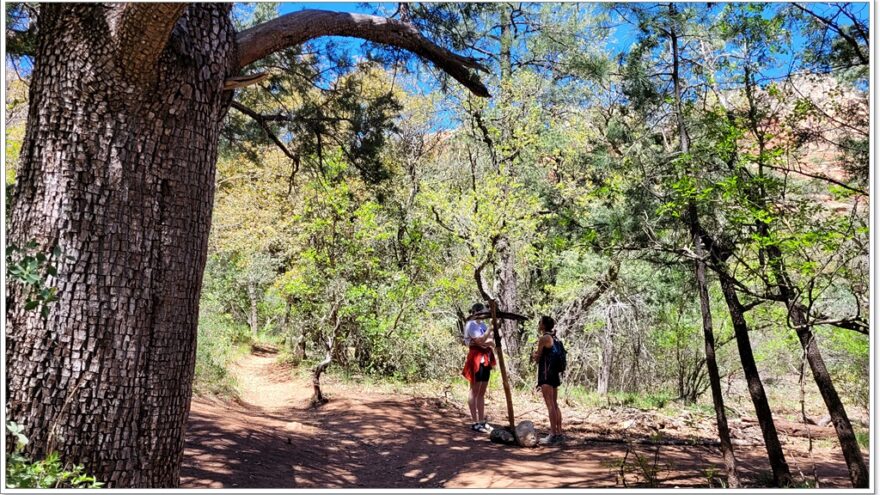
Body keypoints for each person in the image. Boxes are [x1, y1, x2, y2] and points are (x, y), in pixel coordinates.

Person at [461, 302, 495, 433]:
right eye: (481, 312)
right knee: (474, 390)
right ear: (475, 312)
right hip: (476, 358)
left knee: (482, 391)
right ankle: (474, 421)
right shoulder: (471, 324)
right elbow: (480, 341)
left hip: (485, 358)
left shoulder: (483, 325)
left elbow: (490, 341)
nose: (483, 315)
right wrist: (487, 337)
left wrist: (487, 338)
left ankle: (481, 421)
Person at [531, 315, 563, 445]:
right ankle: (559, 433)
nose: (539, 324)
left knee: (550, 404)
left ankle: (553, 434)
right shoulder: (555, 337)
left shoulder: (544, 338)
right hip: (554, 373)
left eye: (540, 323)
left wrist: (534, 356)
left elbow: (538, 357)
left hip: (546, 373)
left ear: (543, 325)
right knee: (555, 404)